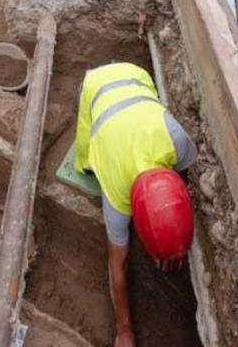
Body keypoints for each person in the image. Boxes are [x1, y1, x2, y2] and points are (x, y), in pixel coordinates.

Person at [74, 61, 197, 347]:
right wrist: (124, 331)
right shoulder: (117, 196)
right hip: (94, 84)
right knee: (85, 158)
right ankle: (83, 164)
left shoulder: (177, 139)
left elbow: (183, 177)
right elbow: (118, 263)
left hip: (137, 74)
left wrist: (169, 241)